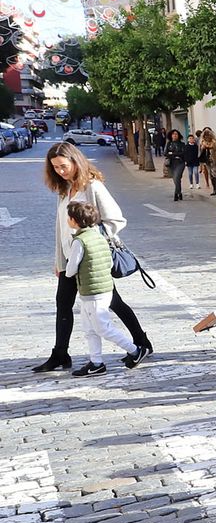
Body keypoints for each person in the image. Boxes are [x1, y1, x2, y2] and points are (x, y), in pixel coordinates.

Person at [33, 141, 153, 373]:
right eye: (55, 168)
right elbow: (61, 229)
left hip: (93, 261)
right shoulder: (64, 190)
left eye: (63, 166)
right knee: (63, 303)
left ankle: (141, 342)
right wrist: (59, 261)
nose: (60, 171)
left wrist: (92, 241)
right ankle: (60, 354)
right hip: (71, 259)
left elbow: (116, 219)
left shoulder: (92, 187)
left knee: (114, 303)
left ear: (75, 162)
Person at [62, 199, 140, 376]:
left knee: (102, 328)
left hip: (92, 292)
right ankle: (96, 362)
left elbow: (71, 269)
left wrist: (68, 270)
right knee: (90, 329)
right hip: (103, 289)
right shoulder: (99, 236)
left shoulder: (79, 242)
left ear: (74, 220)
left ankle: (135, 350)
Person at [164, 130, 186, 201]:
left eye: (176, 134)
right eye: (173, 134)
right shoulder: (169, 144)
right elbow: (166, 153)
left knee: (177, 177)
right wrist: (175, 154)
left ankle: (176, 194)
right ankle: (179, 193)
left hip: (180, 163)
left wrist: (172, 154)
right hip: (171, 163)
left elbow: (183, 153)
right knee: (176, 179)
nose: (174, 135)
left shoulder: (182, 144)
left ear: (178, 135)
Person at [200, 127, 216, 195]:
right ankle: (214, 189)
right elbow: (200, 150)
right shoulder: (202, 142)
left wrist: (211, 146)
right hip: (207, 159)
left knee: (214, 173)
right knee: (211, 174)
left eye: (208, 135)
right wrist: (203, 147)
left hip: (215, 159)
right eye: (206, 135)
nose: (207, 137)